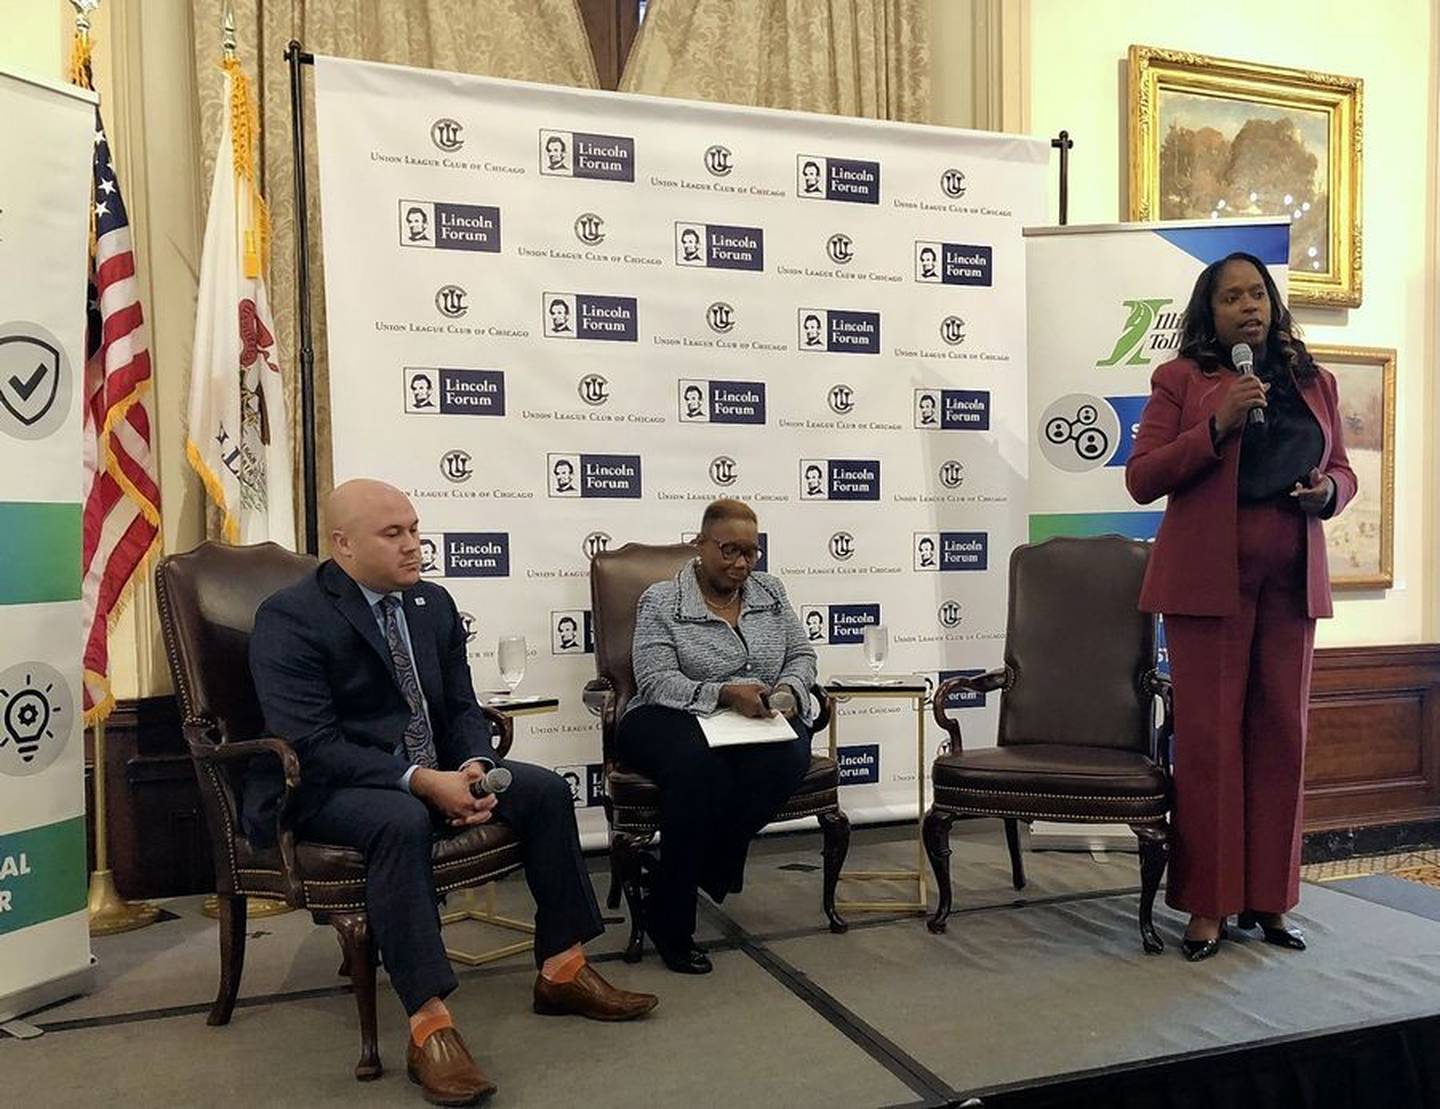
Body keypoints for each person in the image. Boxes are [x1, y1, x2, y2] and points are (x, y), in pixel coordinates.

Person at [248, 480, 656, 1105]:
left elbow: (463, 706)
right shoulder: (290, 616)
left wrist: (471, 763)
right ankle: (429, 1025)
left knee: (543, 791)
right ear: (343, 545)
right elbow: (313, 744)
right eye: (395, 535)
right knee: (399, 819)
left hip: (433, 767)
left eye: (415, 529)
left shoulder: (431, 604)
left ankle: (563, 968)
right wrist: (421, 781)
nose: (415, 546)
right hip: (326, 786)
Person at [1125, 252, 1356, 963]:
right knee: (1211, 742)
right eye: (1232, 297)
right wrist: (1217, 425)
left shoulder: (1313, 380)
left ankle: (1270, 898)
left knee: (1282, 734)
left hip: (1290, 577)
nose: (1249, 306)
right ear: (1211, 312)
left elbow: (1344, 468)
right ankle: (1208, 904)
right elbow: (1142, 477)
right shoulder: (1180, 381)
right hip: (1207, 582)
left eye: (1258, 293)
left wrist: (1329, 494)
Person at [616, 498, 817, 974]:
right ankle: (673, 923)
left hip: (753, 719)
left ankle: (681, 874)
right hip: (666, 716)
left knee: (790, 757)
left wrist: (788, 690)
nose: (741, 563)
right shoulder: (662, 600)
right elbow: (654, 678)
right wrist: (725, 694)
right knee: (699, 769)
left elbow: (802, 654)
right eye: (729, 550)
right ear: (699, 544)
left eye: (751, 552)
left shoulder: (771, 592)